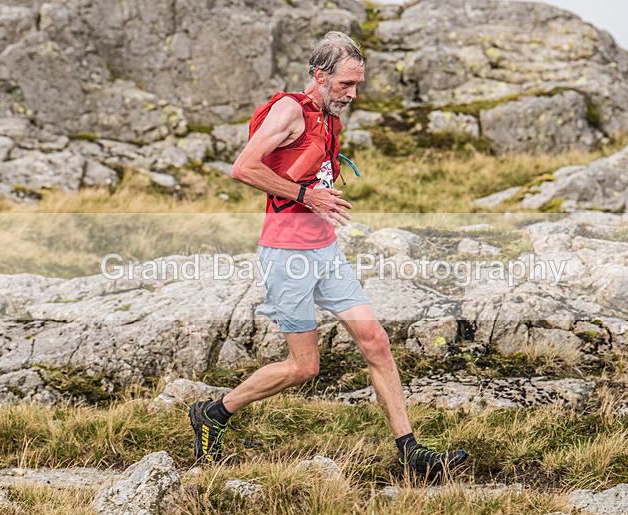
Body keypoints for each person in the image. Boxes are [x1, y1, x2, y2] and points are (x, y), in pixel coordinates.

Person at [189, 31, 467, 480]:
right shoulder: (289, 110)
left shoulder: (329, 117)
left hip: (326, 251)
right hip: (287, 255)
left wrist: (318, 197)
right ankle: (214, 412)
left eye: (357, 86)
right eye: (345, 85)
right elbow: (243, 168)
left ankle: (411, 454)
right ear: (320, 76)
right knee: (304, 367)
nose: (353, 95)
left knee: (375, 341)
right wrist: (307, 195)